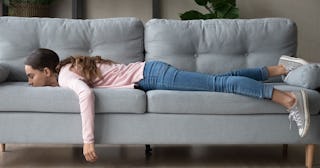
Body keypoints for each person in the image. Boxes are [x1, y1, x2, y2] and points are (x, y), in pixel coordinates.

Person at [24, 48, 310, 163]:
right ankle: (278, 70)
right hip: (151, 73)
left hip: (152, 75)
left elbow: (86, 95)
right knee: (217, 80)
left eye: (31, 76)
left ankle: (288, 100)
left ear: (47, 71)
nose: (29, 82)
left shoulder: (65, 76)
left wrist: (88, 140)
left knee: (218, 85)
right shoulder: (65, 70)